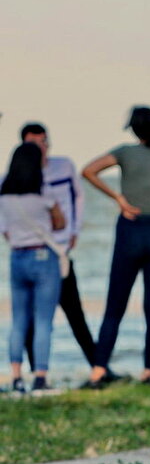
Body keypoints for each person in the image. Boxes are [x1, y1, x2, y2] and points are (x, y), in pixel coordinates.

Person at [81, 106, 150, 387]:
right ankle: (148, 372)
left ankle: (98, 370)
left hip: (130, 229)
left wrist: (119, 198)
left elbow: (88, 171)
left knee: (115, 305)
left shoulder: (125, 153)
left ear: (134, 130)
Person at [15, 122, 96, 371]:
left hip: (60, 254)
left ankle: (98, 367)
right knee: (31, 319)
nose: (40, 148)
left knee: (75, 313)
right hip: (33, 255)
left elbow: (78, 197)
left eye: (44, 142)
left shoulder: (64, 166)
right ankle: (34, 373)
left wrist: (75, 230)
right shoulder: (16, 177)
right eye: (33, 144)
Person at [0, 143, 66, 393]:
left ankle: (15, 377)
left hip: (17, 257)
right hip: (42, 255)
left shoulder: (4, 196)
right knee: (43, 321)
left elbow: (5, 231)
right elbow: (60, 224)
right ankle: (40, 376)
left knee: (18, 321)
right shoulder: (43, 193)